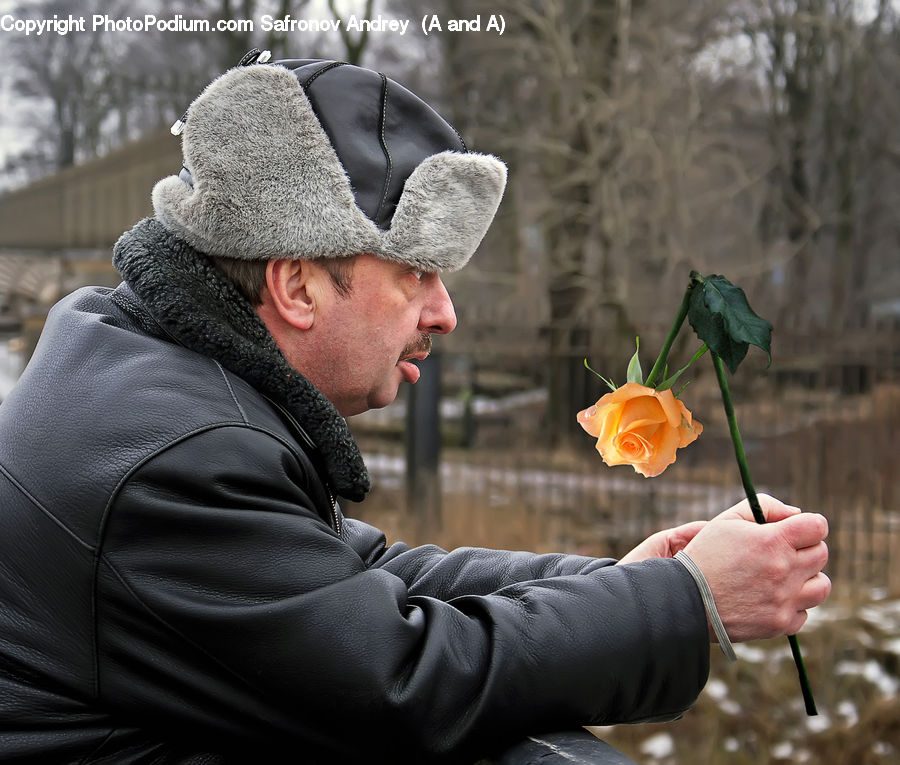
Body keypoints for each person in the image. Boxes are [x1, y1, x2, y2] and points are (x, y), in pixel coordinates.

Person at [0, 53, 830, 764]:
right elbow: (404, 683)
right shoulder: (177, 455)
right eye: (415, 275)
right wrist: (690, 600)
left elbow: (360, 578)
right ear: (297, 284)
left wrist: (625, 581)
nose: (444, 313)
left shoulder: (143, 362)